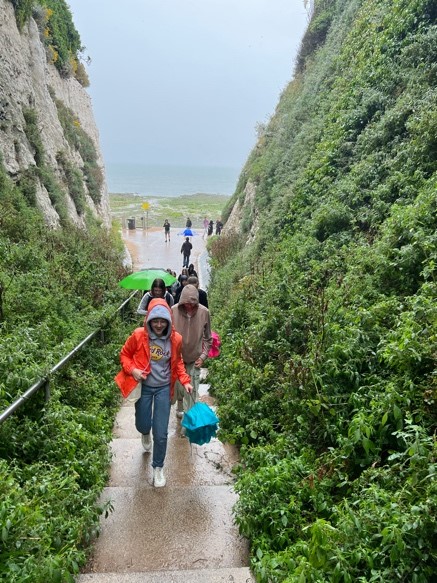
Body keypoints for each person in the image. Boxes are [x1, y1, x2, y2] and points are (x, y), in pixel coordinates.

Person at [115, 298, 193, 487]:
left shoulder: (175, 339)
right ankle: (144, 432)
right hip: (144, 387)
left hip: (163, 389)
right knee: (143, 424)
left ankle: (158, 468)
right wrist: (133, 370)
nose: (159, 325)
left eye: (162, 321)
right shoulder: (138, 336)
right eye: (155, 321)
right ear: (149, 320)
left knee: (161, 433)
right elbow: (124, 355)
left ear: (168, 321)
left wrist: (185, 381)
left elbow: (178, 362)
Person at [172, 285, 212, 420]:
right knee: (178, 388)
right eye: (186, 303)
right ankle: (180, 405)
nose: (189, 306)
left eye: (192, 304)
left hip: (194, 359)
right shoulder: (173, 311)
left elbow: (208, 338)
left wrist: (203, 356)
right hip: (177, 359)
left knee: (192, 391)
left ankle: (188, 422)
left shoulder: (204, 312)